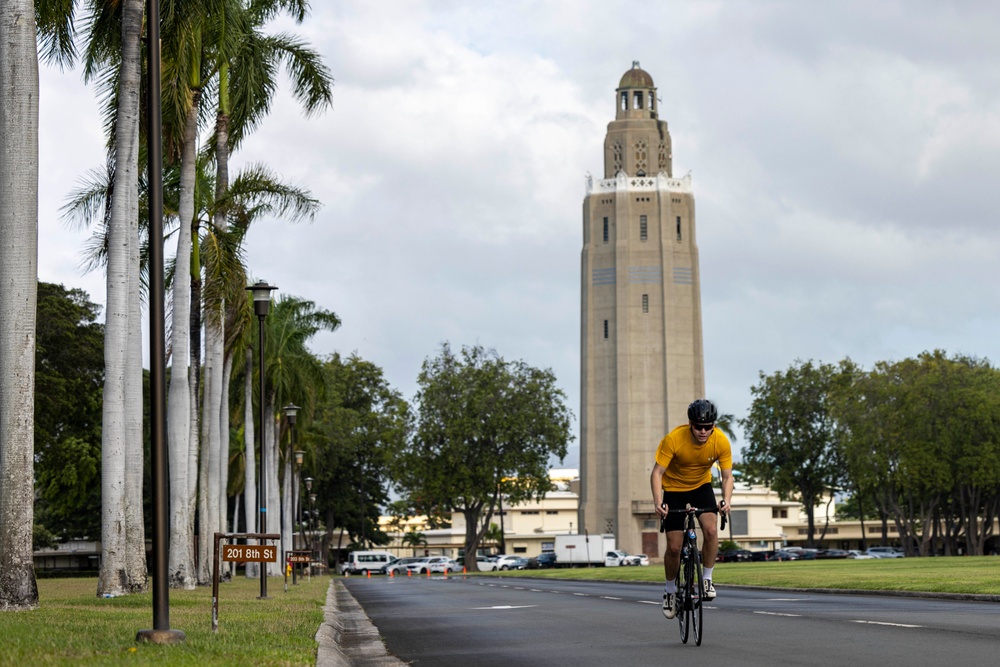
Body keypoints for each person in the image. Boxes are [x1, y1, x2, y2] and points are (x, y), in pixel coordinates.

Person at [650, 399, 733, 620]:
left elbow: (726, 476)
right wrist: (658, 502)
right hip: (674, 490)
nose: (703, 431)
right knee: (675, 547)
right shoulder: (674, 439)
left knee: (711, 530)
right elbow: (657, 473)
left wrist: (726, 500)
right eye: (698, 426)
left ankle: (706, 578)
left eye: (708, 427)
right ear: (690, 424)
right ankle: (669, 591)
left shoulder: (721, 441)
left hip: (701, 487)